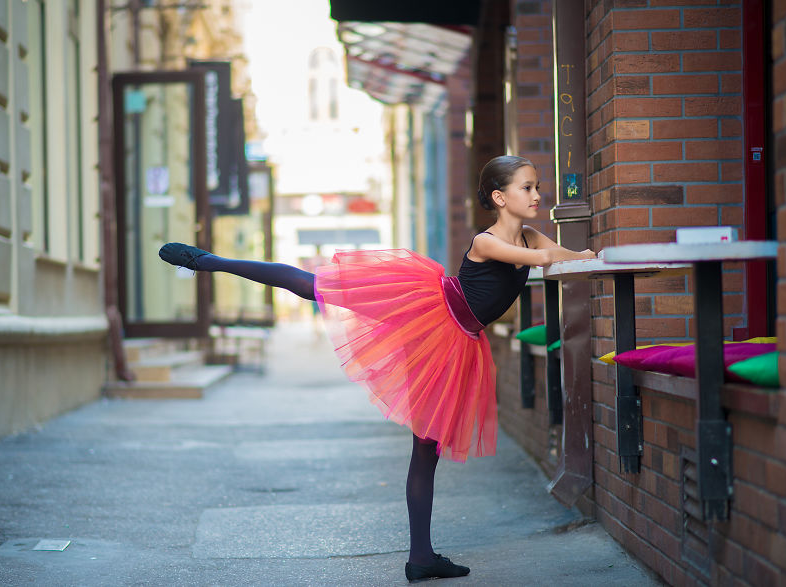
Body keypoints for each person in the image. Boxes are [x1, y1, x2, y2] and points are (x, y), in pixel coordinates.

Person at [158, 155, 596, 582]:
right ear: (499, 197)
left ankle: (421, 558)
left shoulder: (530, 237)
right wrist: (576, 256)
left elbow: (560, 254)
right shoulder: (488, 241)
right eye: (527, 187)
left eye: (537, 187)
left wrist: (585, 255)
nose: (537, 195)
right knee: (316, 286)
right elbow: (546, 259)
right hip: (430, 315)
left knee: (426, 449)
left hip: (460, 338)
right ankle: (207, 261)